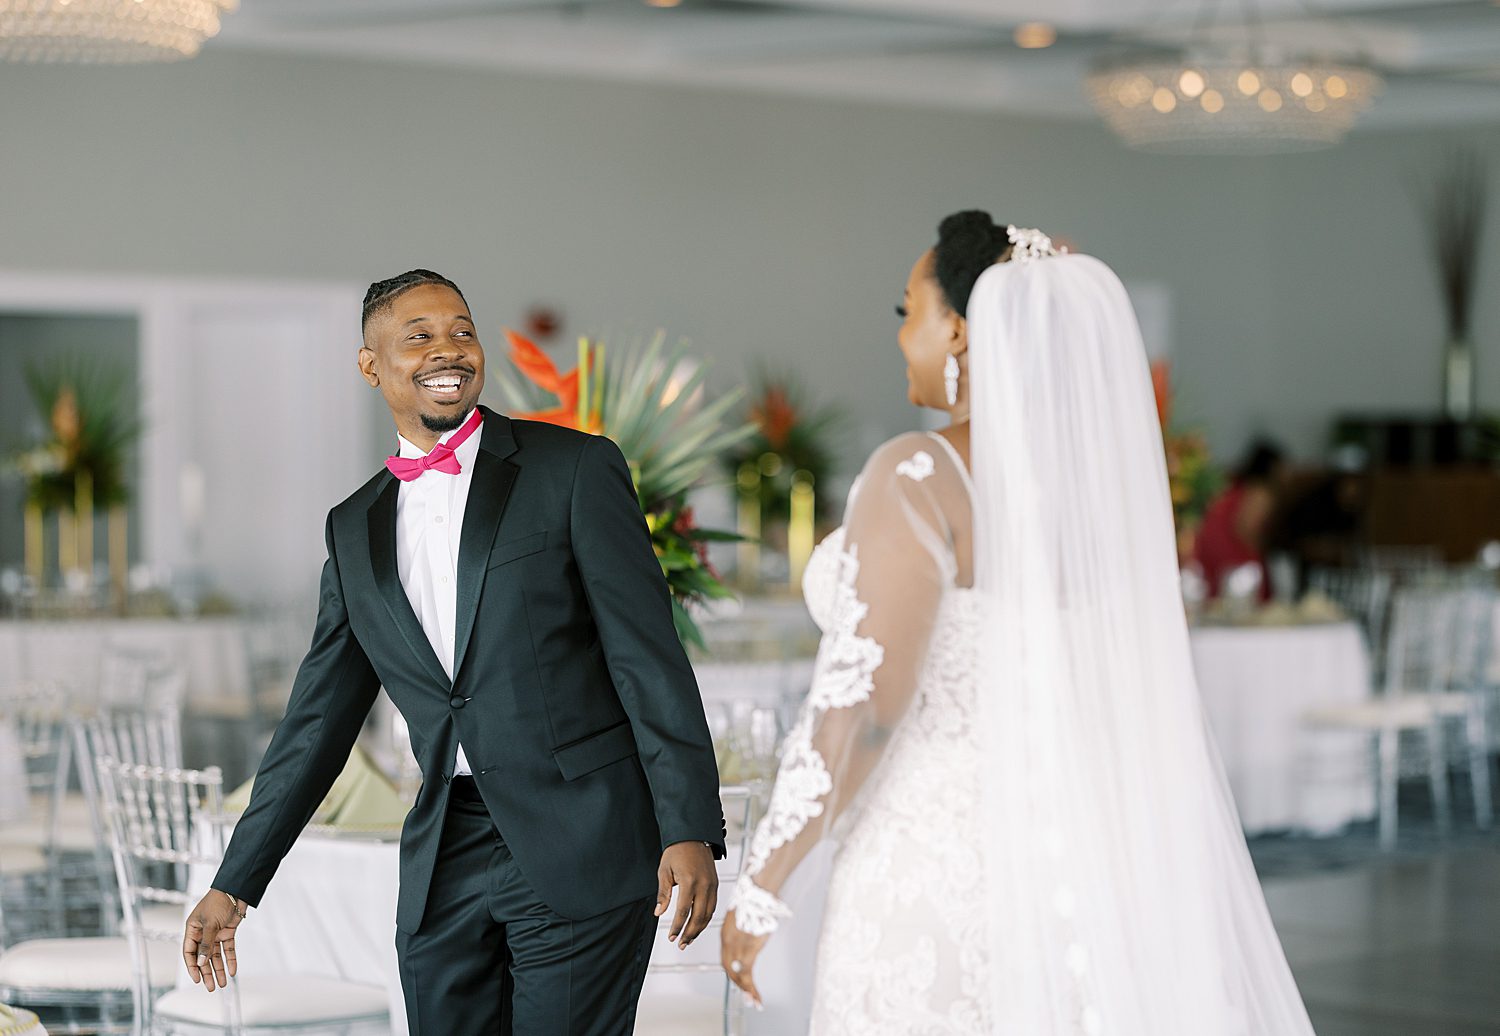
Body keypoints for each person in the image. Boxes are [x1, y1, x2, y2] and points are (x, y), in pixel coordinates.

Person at [721, 212, 1316, 1034]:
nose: (901, 337)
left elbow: (871, 703)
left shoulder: (920, 472)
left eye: (909, 312)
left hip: (938, 863)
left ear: (960, 331)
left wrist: (765, 877)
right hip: (1083, 857)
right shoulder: (1102, 499)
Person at [181, 270, 725, 1035]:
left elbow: (648, 658)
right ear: (371, 366)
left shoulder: (573, 469)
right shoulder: (352, 526)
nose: (449, 350)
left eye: (462, 330)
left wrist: (687, 825)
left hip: (583, 840)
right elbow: (315, 725)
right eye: (420, 336)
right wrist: (236, 884)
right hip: (444, 856)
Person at [1194, 438, 1287, 600]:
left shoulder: (1227, 486)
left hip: (1210, 561)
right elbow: (1247, 530)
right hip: (1237, 566)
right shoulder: (1259, 493)